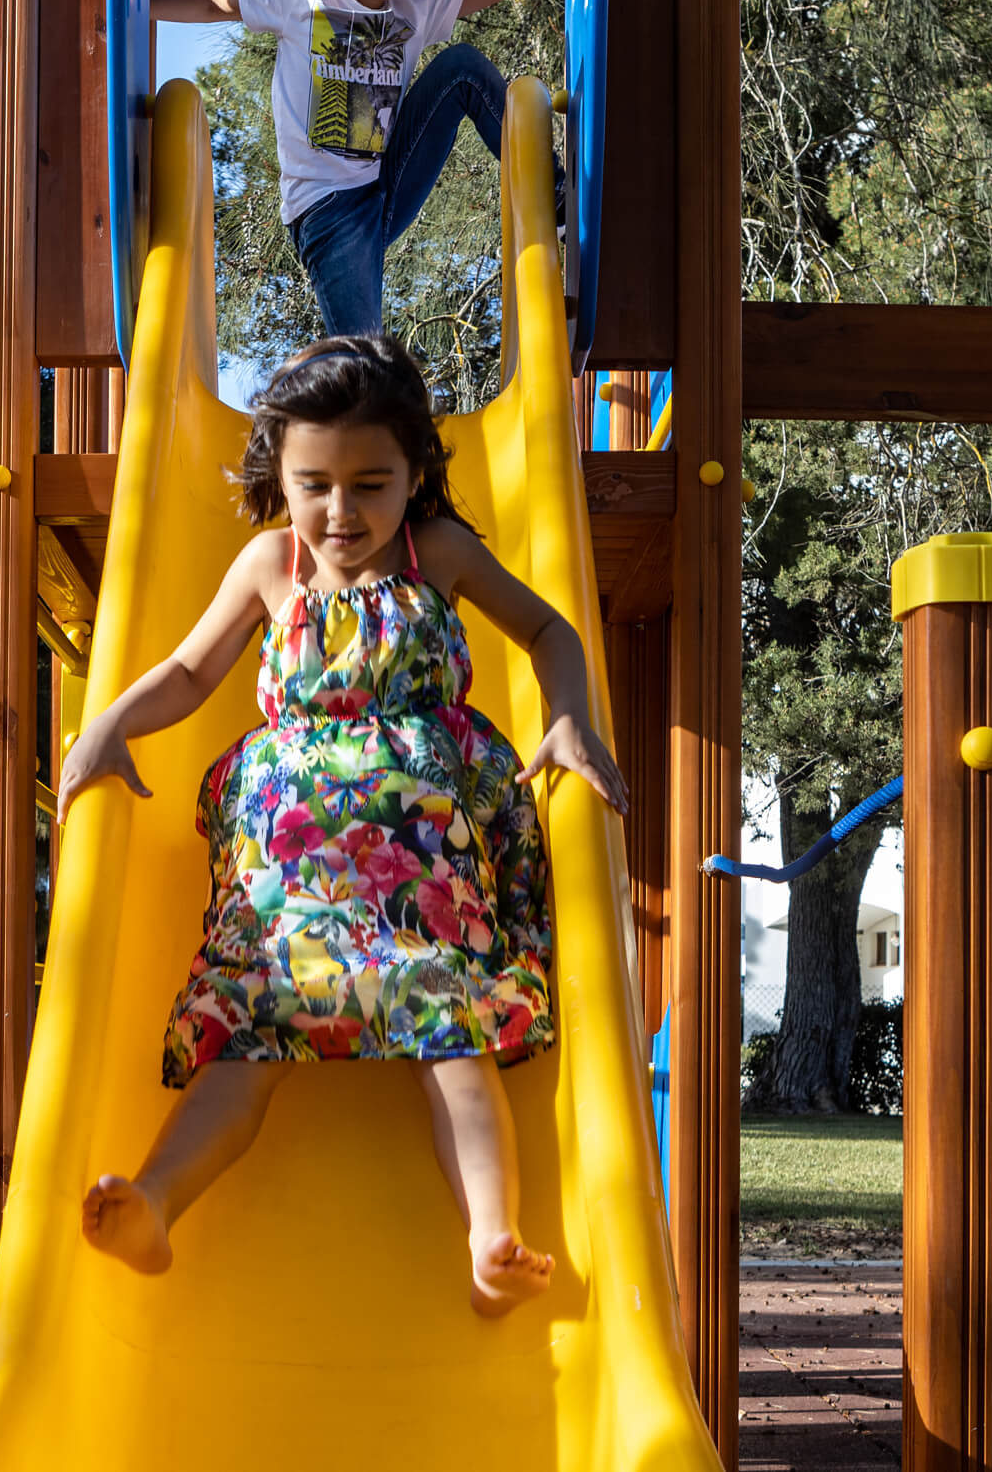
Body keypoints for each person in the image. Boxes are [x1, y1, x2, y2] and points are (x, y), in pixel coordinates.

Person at [57, 336, 628, 1315]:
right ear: (278, 473)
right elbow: (194, 672)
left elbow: (549, 629)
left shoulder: (436, 553)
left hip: (421, 865)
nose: (341, 511)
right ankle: (154, 1202)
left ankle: (493, 1238)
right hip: (292, 869)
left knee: (448, 1030)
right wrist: (110, 723)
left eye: (372, 482)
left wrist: (568, 713)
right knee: (251, 1026)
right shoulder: (265, 565)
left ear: (416, 473)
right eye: (314, 483)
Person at [152, 0, 565, 338]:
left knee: (462, 68)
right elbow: (216, 3)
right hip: (328, 208)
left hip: (386, 182)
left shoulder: (415, 8)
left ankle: (554, 194)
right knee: (364, 354)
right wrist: (138, 5)